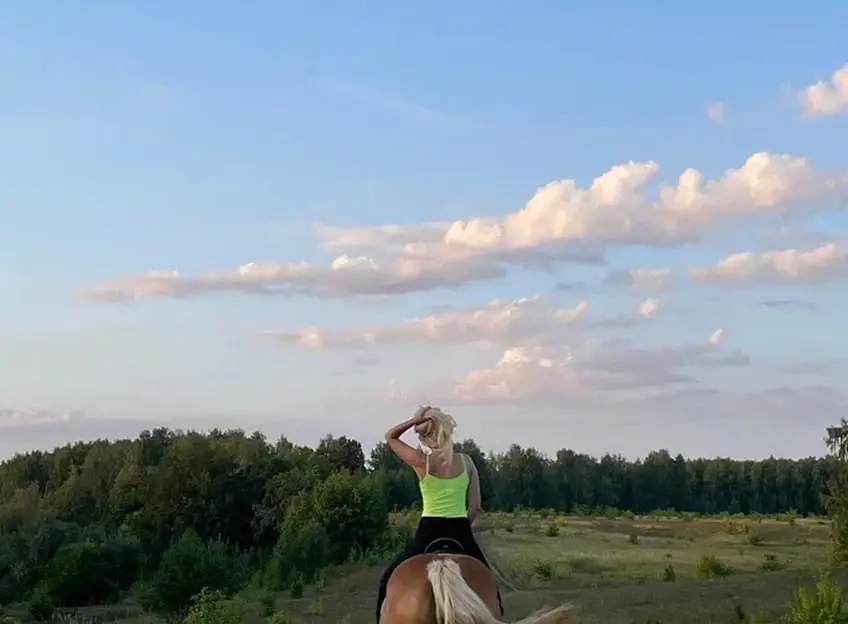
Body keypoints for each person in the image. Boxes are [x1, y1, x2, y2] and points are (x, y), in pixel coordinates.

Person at [375, 405, 504, 622]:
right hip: (461, 531)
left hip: (428, 530)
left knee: (387, 581)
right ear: (447, 430)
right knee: (491, 588)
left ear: (424, 436)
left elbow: (390, 436)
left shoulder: (422, 462)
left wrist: (414, 420)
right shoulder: (467, 462)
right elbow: (475, 506)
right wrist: (462, 523)